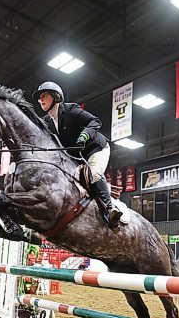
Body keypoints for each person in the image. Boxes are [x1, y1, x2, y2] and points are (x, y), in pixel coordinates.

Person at [32, 82, 122, 228]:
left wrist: (85, 135)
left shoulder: (70, 109)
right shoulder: (46, 122)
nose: (41, 100)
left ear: (55, 97)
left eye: (44, 96)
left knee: (94, 174)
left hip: (95, 148)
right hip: (75, 157)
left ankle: (110, 211)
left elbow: (95, 121)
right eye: (39, 98)